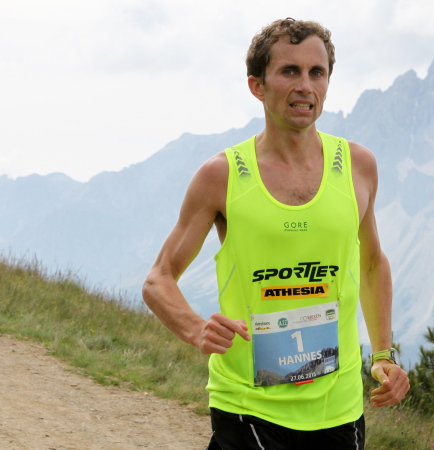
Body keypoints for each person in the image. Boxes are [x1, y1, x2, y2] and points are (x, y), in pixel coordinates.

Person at [142, 17, 409, 450]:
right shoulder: (221, 176)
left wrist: (382, 355)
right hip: (248, 405)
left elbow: (372, 263)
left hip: (339, 408)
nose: (305, 86)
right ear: (257, 86)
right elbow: (159, 279)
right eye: (289, 71)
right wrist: (194, 328)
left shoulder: (358, 166)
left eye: (317, 72)